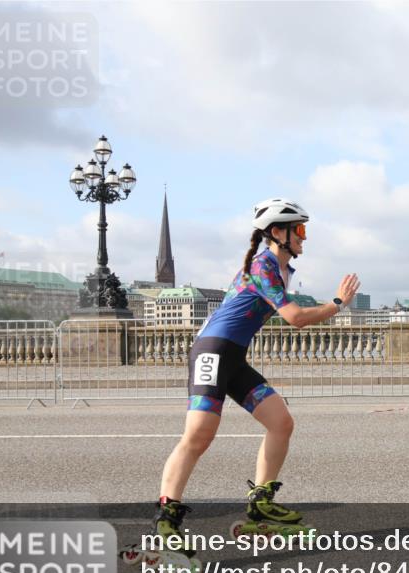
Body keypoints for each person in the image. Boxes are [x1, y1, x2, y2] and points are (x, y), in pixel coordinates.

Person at [154, 198, 360, 553]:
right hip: (213, 350)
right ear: (278, 233)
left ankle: (261, 503)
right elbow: (295, 318)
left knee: (281, 421)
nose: (304, 238)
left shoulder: (279, 268)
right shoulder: (264, 265)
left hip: (234, 355)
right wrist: (338, 304)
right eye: (301, 230)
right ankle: (166, 519)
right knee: (199, 435)